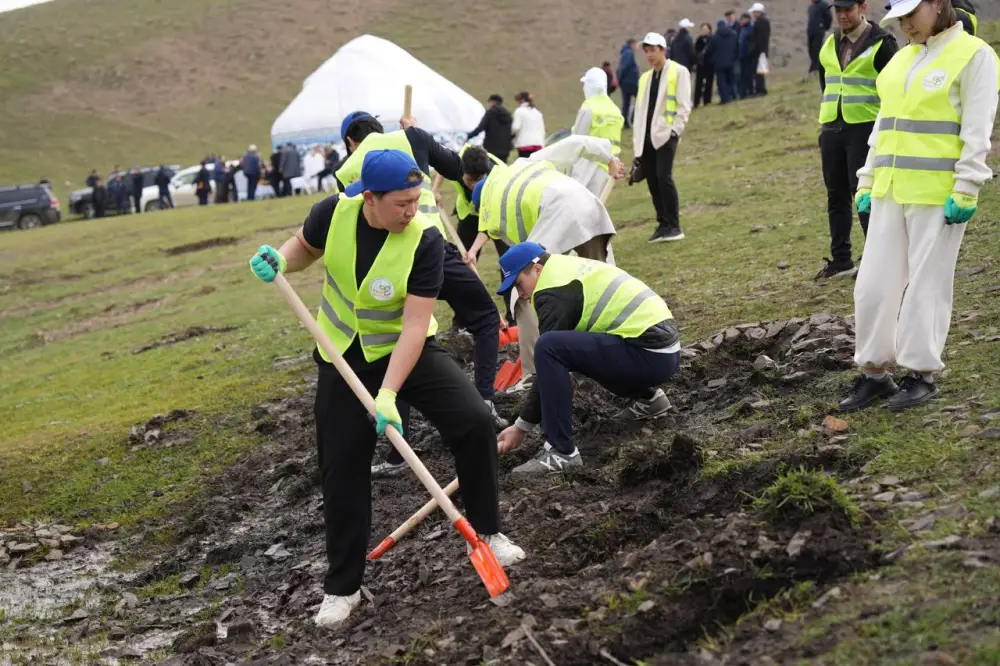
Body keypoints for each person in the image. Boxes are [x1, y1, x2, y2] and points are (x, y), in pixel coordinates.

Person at [248, 148, 525, 627]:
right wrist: (281, 260)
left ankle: (488, 532)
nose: (412, 210)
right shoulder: (333, 213)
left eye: (416, 200)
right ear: (370, 198)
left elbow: (416, 325)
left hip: (406, 352)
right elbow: (305, 247)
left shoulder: (425, 239)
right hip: (341, 357)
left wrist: (389, 393)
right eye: (402, 203)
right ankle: (344, 588)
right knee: (341, 466)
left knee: (475, 421)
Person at [839, 0, 999, 413]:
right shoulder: (900, 61)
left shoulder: (975, 55)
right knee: (872, 286)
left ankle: (921, 374)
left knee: (927, 286)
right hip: (889, 190)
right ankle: (874, 374)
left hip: (938, 195)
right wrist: (867, 177)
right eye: (900, 18)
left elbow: (977, 128)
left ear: (938, 3)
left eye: (912, 14)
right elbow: (883, 126)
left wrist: (967, 186)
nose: (906, 25)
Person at [334, 111, 509, 465]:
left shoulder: (345, 170)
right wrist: (419, 140)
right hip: (433, 250)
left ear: (350, 142)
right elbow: (459, 167)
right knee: (486, 318)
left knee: (396, 342)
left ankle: (397, 454)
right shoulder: (412, 138)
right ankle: (483, 401)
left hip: (388, 265)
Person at [494, 243, 681, 473]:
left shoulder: (552, 291)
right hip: (664, 351)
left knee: (548, 347)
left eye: (519, 284)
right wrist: (570, 374)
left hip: (648, 354)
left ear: (537, 269)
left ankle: (561, 451)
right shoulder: (565, 268)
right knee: (565, 350)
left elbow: (548, 360)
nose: (520, 294)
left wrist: (521, 427)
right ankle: (649, 399)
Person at [465, 137, 626, 392]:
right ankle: (622, 343)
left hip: (555, 212)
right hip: (586, 202)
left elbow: (522, 258)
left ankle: (532, 372)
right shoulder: (524, 163)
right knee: (602, 281)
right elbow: (573, 142)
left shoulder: (490, 209)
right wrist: (609, 158)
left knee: (520, 292)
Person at [814, 0, 898, 279]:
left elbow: (894, 89)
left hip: (865, 129)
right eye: (838, 10)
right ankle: (841, 260)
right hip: (832, 128)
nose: (842, 15)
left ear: (862, 7)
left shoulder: (882, 43)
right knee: (835, 195)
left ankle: (879, 262)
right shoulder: (829, 43)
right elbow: (827, 84)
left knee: (864, 195)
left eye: (847, 9)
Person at [633, 31, 693, 243]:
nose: (649, 55)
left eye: (653, 50)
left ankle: (674, 226)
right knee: (652, 181)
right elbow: (640, 111)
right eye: (646, 51)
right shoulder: (645, 78)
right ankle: (663, 224)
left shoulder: (679, 71)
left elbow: (684, 105)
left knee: (663, 177)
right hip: (646, 137)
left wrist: (675, 131)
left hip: (666, 135)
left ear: (663, 50)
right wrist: (637, 144)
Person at [573, 67, 625, 194]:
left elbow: (576, 139)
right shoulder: (615, 110)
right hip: (610, 167)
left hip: (588, 167)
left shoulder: (588, 108)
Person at [467, 94, 513, 163]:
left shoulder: (490, 113)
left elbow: (480, 128)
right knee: (502, 167)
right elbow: (512, 130)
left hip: (491, 147)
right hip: (505, 148)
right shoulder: (508, 115)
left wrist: (468, 136)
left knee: (491, 167)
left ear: (493, 102)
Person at [511, 92, 546, 159]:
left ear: (521, 100)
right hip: (538, 143)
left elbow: (515, 127)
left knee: (525, 163)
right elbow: (542, 130)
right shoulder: (538, 113)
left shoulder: (519, 111)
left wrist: (511, 136)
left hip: (524, 144)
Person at [712, 18, 739, 103]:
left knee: (721, 82)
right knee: (730, 80)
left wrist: (713, 60)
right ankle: (731, 95)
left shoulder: (715, 37)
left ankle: (725, 98)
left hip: (719, 63)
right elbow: (737, 47)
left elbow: (711, 50)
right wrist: (734, 58)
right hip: (731, 61)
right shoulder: (734, 34)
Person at [808, 0, 834, 82]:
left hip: (819, 30)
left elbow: (829, 17)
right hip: (810, 31)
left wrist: (824, 27)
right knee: (811, 50)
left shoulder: (823, 4)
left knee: (817, 49)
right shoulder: (811, 7)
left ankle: (815, 69)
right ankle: (814, 67)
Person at [617, 38, 641, 128]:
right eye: (635, 45)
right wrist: (621, 78)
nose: (636, 47)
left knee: (626, 103)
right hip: (630, 82)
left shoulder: (624, 53)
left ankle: (625, 122)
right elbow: (625, 67)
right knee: (641, 98)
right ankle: (633, 117)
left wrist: (620, 80)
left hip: (625, 82)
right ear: (631, 44)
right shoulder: (629, 53)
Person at [749, 2, 772, 96]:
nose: (753, 14)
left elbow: (761, 38)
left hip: (759, 51)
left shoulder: (761, 22)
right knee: (758, 72)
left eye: (754, 12)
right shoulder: (761, 21)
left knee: (759, 72)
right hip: (760, 51)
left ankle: (761, 90)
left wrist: (757, 50)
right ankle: (759, 89)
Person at [694, 23, 716, 107]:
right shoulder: (699, 40)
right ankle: (696, 102)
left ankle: (707, 101)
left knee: (708, 84)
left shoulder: (712, 39)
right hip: (700, 65)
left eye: (706, 29)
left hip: (709, 65)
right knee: (698, 84)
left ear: (709, 30)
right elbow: (696, 51)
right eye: (702, 29)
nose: (704, 31)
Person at [738, 13, 757, 97]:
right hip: (742, 55)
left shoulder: (750, 28)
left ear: (747, 19)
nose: (740, 21)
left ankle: (751, 91)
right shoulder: (742, 29)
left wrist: (749, 52)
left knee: (748, 74)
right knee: (743, 75)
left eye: (742, 19)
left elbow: (751, 42)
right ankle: (744, 92)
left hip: (748, 55)